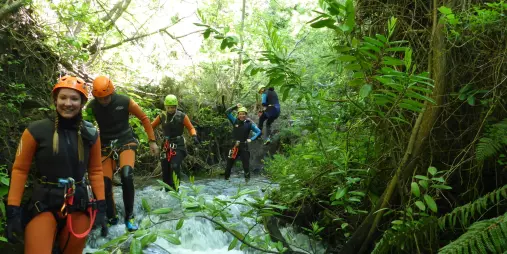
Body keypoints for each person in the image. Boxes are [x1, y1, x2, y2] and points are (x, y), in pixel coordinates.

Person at [6, 75, 107, 253]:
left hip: (78, 203)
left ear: (82, 102)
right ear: (55, 100)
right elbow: (20, 170)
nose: (68, 103)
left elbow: (96, 171)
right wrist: (13, 209)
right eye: (63, 97)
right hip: (44, 203)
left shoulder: (90, 134)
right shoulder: (36, 130)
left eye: (74, 98)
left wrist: (101, 206)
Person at [87, 76, 159, 232]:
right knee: (105, 183)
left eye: (106, 97)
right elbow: (84, 125)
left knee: (127, 176)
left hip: (126, 141)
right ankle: (112, 216)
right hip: (106, 146)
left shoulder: (124, 101)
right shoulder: (92, 107)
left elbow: (144, 118)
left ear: (112, 92)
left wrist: (152, 141)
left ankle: (129, 216)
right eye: (100, 98)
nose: (104, 101)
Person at [151, 94, 199, 191]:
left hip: (178, 145)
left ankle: (176, 190)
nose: (171, 109)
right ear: (166, 107)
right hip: (166, 145)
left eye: (173, 107)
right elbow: (151, 127)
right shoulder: (162, 116)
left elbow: (191, 127)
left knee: (175, 165)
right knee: (165, 168)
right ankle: (167, 191)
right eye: (169, 107)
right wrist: (151, 139)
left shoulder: (182, 116)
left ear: (176, 106)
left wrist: (194, 136)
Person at [224, 104, 261, 182]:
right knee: (229, 165)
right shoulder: (234, 121)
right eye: (240, 114)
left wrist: (252, 139)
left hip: (244, 146)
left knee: (246, 166)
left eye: (243, 114)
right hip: (234, 146)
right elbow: (227, 112)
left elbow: (258, 131)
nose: (242, 115)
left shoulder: (249, 124)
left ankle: (247, 183)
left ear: (246, 115)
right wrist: (235, 106)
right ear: (238, 115)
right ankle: (226, 181)